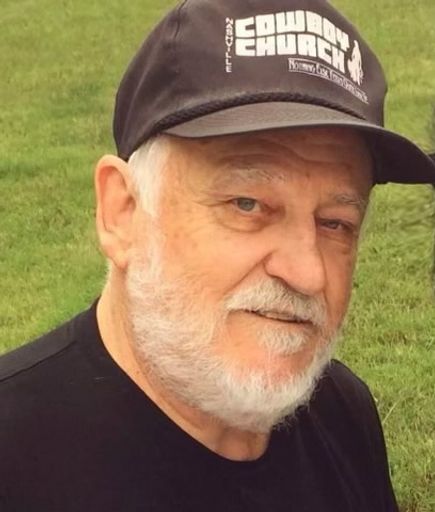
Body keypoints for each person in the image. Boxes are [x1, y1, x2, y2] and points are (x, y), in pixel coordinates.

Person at [1, 1, 434, 511]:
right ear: (122, 212)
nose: (308, 272)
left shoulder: (341, 412)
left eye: (335, 222)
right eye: (247, 204)